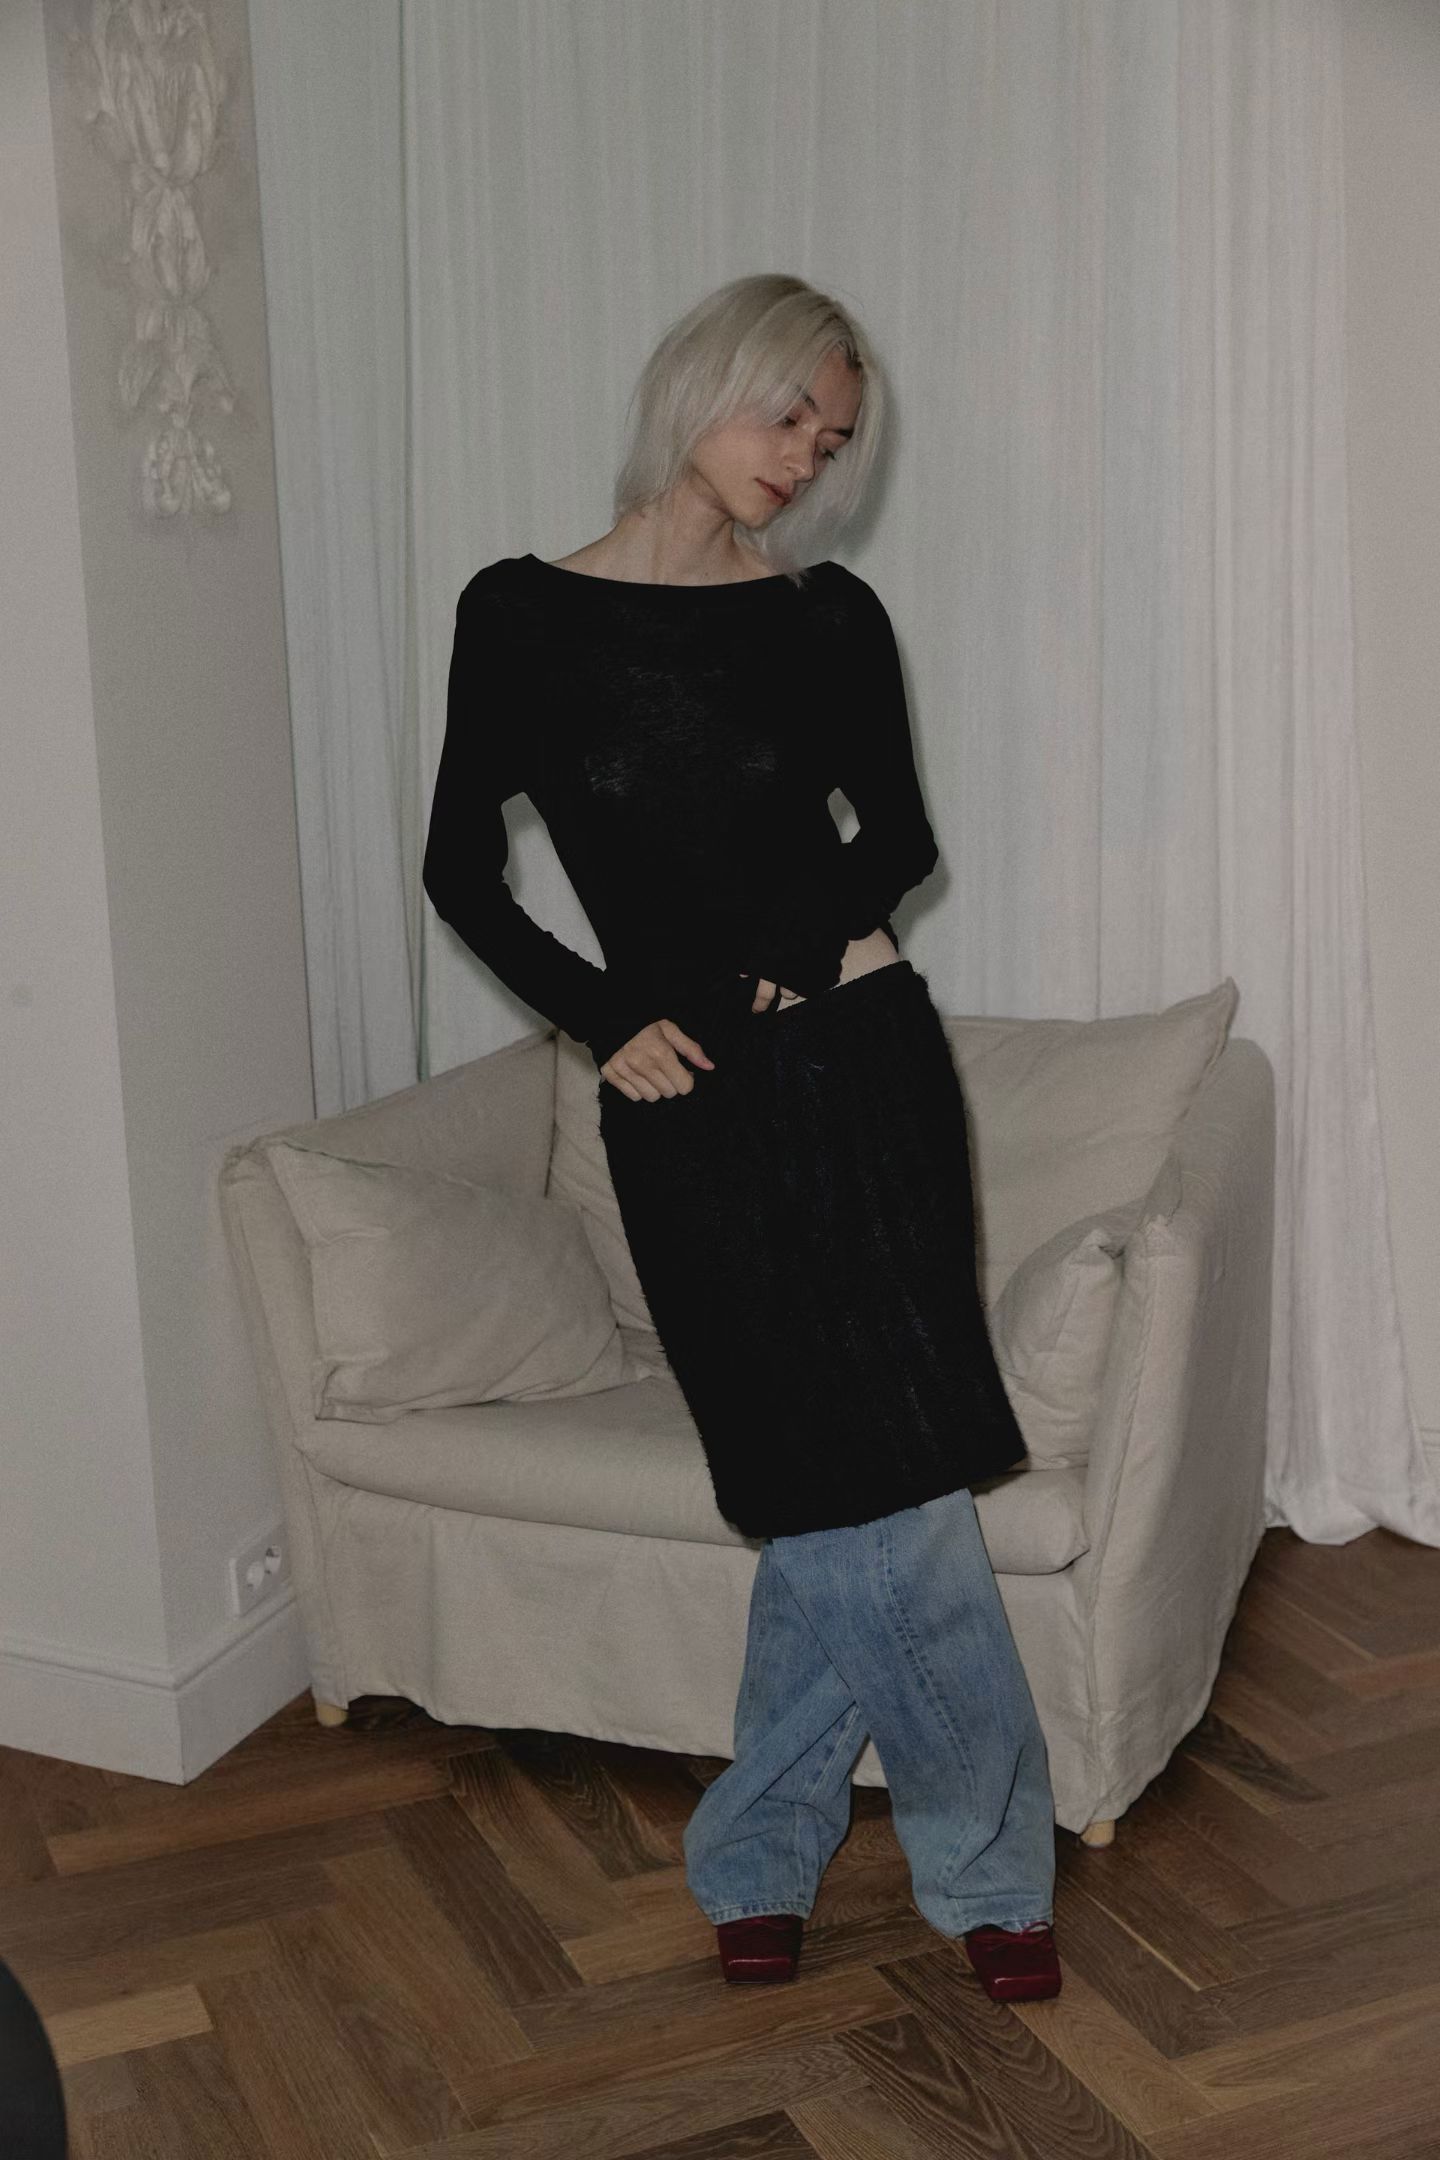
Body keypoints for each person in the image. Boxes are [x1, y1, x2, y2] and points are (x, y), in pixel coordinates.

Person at [423, 272, 1061, 2001]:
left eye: (832, 443)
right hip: (682, 1098)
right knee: (815, 1485)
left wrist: (780, 965)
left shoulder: (823, 618)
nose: (805, 460)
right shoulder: (521, 613)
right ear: (707, 382)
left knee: (883, 1493)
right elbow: (459, 870)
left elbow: (899, 839)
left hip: (859, 1064)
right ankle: (819, 1848)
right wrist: (603, 1015)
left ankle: (930, 1869)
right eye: (790, 417)